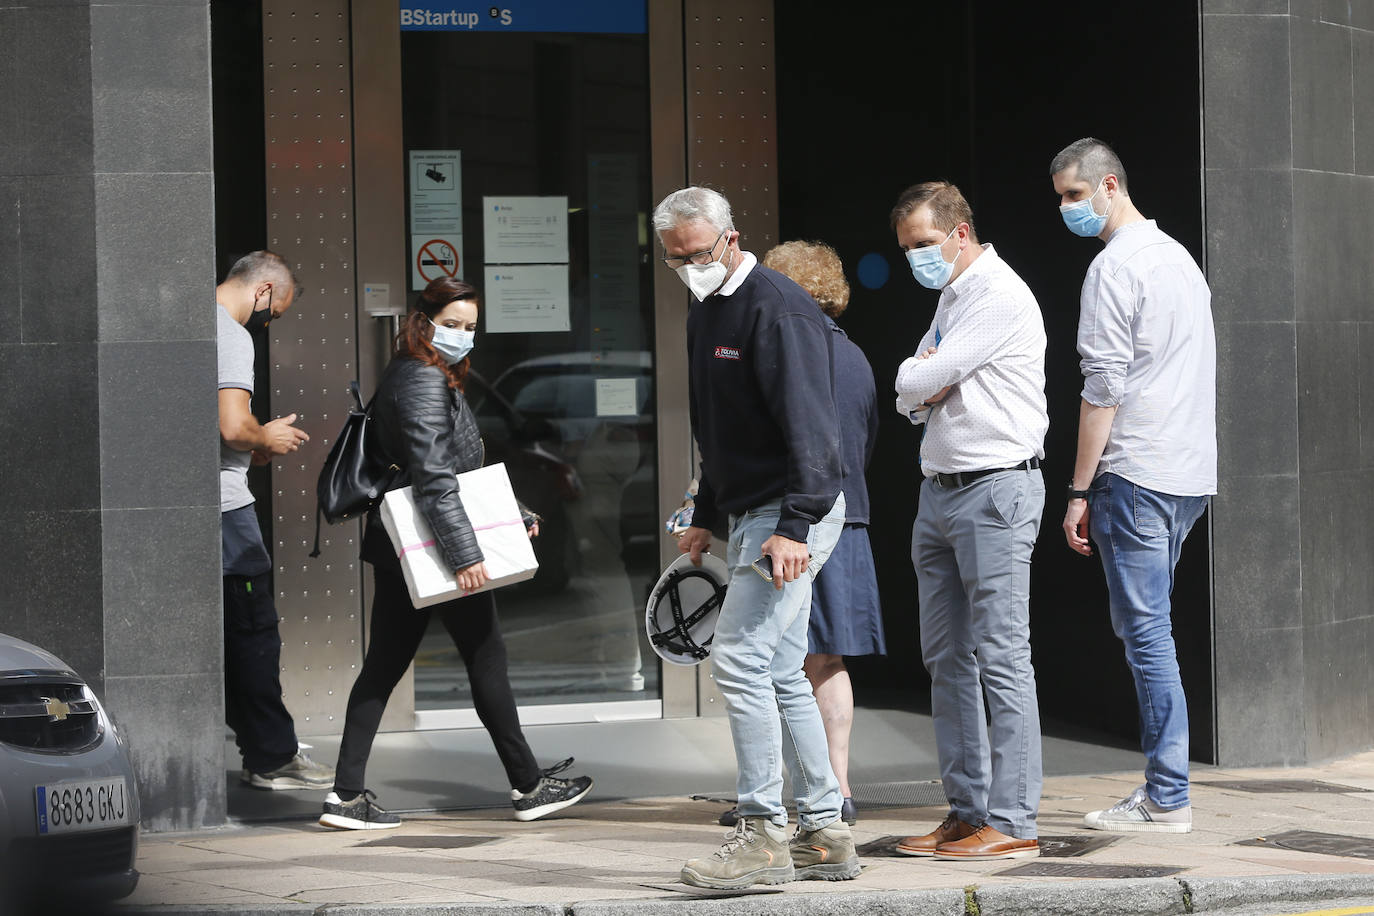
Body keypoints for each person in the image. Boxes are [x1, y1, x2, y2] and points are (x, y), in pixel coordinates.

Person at [319, 277, 593, 830]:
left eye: (470, 327)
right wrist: (467, 557)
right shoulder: (421, 381)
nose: (463, 336)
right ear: (422, 323)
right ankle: (528, 786)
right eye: (451, 325)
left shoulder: (416, 371)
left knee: (386, 665)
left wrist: (515, 513)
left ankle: (346, 796)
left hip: (412, 545)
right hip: (435, 546)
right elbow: (436, 482)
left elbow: (459, 470)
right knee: (485, 657)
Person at [654, 187, 861, 889]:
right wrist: (707, 513)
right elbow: (718, 428)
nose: (689, 267)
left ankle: (763, 836)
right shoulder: (706, 312)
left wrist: (794, 527)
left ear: (732, 239)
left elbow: (814, 431)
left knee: (739, 661)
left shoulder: (779, 308)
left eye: (698, 253)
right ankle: (826, 835)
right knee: (777, 669)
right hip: (757, 511)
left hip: (791, 511)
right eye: (675, 259)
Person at [1050, 138, 1216, 834]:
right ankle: (1165, 789)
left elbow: (1103, 388)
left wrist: (1078, 490)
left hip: (1136, 472)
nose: (1065, 209)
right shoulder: (1178, 257)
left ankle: (1166, 796)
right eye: (1061, 198)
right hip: (1188, 473)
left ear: (1110, 184)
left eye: (1074, 196)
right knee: (1152, 630)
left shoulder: (1113, 268)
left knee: (1147, 635)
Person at [890, 181, 1048, 861]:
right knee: (947, 660)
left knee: (1002, 657)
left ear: (958, 232)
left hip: (994, 490)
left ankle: (1012, 820)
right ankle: (966, 810)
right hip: (940, 491)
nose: (915, 258)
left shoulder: (998, 293)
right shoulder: (951, 295)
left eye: (923, 244)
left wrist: (924, 377)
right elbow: (905, 392)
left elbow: (925, 376)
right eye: (906, 248)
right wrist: (921, 379)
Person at [718, 240, 885, 829]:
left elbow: (811, 445)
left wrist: (793, 519)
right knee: (813, 657)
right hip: (843, 514)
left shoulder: (802, 351)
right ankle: (827, 797)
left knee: (781, 659)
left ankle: (806, 799)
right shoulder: (854, 355)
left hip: (806, 518)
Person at [217, 250, 335, 791]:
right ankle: (270, 757)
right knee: (253, 632)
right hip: (226, 513)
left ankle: (264, 748)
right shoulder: (231, 334)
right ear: (263, 292)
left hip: (203, 505)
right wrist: (266, 437)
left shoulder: (189, 323)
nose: (269, 324)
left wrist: (252, 446)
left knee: (238, 633)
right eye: (276, 314)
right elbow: (234, 428)